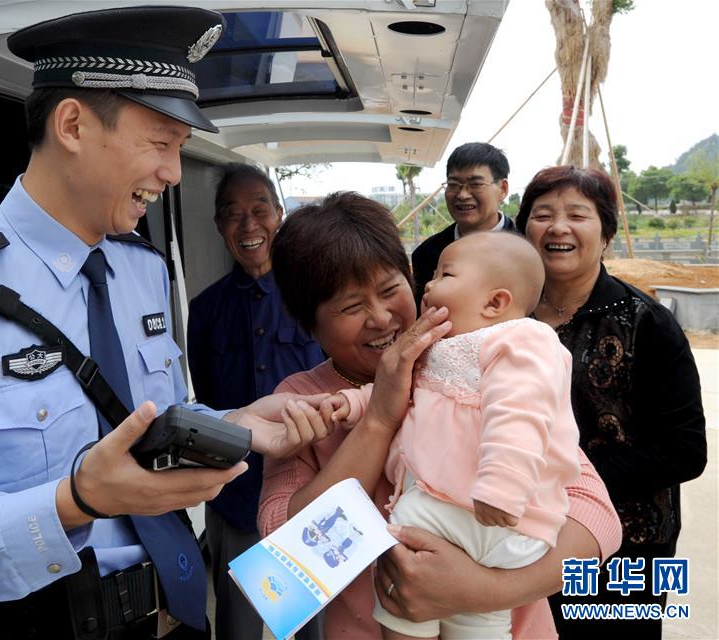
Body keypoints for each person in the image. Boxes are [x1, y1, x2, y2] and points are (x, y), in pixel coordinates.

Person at [0, 8, 330, 640]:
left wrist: (234, 424)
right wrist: (73, 503)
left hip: (175, 613)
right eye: (160, 143)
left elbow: (151, 422)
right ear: (72, 125)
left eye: (180, 149)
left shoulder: (140, 270)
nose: (174, 173)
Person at [260, 192, 623, 640]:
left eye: (391, 290)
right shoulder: (301, 400)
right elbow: (287, 567)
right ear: (310, 324)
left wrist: (483, 591)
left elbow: (597, 520)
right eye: (351, 307)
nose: (381, 318)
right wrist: (378, 419)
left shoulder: (477, 363)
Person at [323, 232, 581, 639]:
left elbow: (519, 414)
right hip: (473, 518)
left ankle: (406, 631)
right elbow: (398, 393)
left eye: (445, 274)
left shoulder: (522, 340)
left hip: (489, 513)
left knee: (404, 530)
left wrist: (502, 488)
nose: (428, 285)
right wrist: (353, 404)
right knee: (480, 621)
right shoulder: (442, 348)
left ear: (494, 303)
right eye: (431, 275)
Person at [514, 166, 707, 639]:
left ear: (606, 234)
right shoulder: (505, 312)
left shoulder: (648, 323)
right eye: (543, 214)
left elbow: (685, 450)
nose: (558, 227)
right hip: (517, 534)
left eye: (577, 215)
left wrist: (562, 480)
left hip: (625, 546)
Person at [186, 163, 324, 640]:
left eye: (259, 210)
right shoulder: (206, 310)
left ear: (279, 214)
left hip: (311, 497)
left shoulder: (315, 295)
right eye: (233, 214)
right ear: (219, 225)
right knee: (239, 627)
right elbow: (209, 404)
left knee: (313, 628)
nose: (248, 225)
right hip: (238, 498)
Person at [410, 142, 515, 303]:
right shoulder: (426, 254)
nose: (463, 195)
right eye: (453, 185)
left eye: (476, 184)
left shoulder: (529, 248)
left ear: (503, 189)